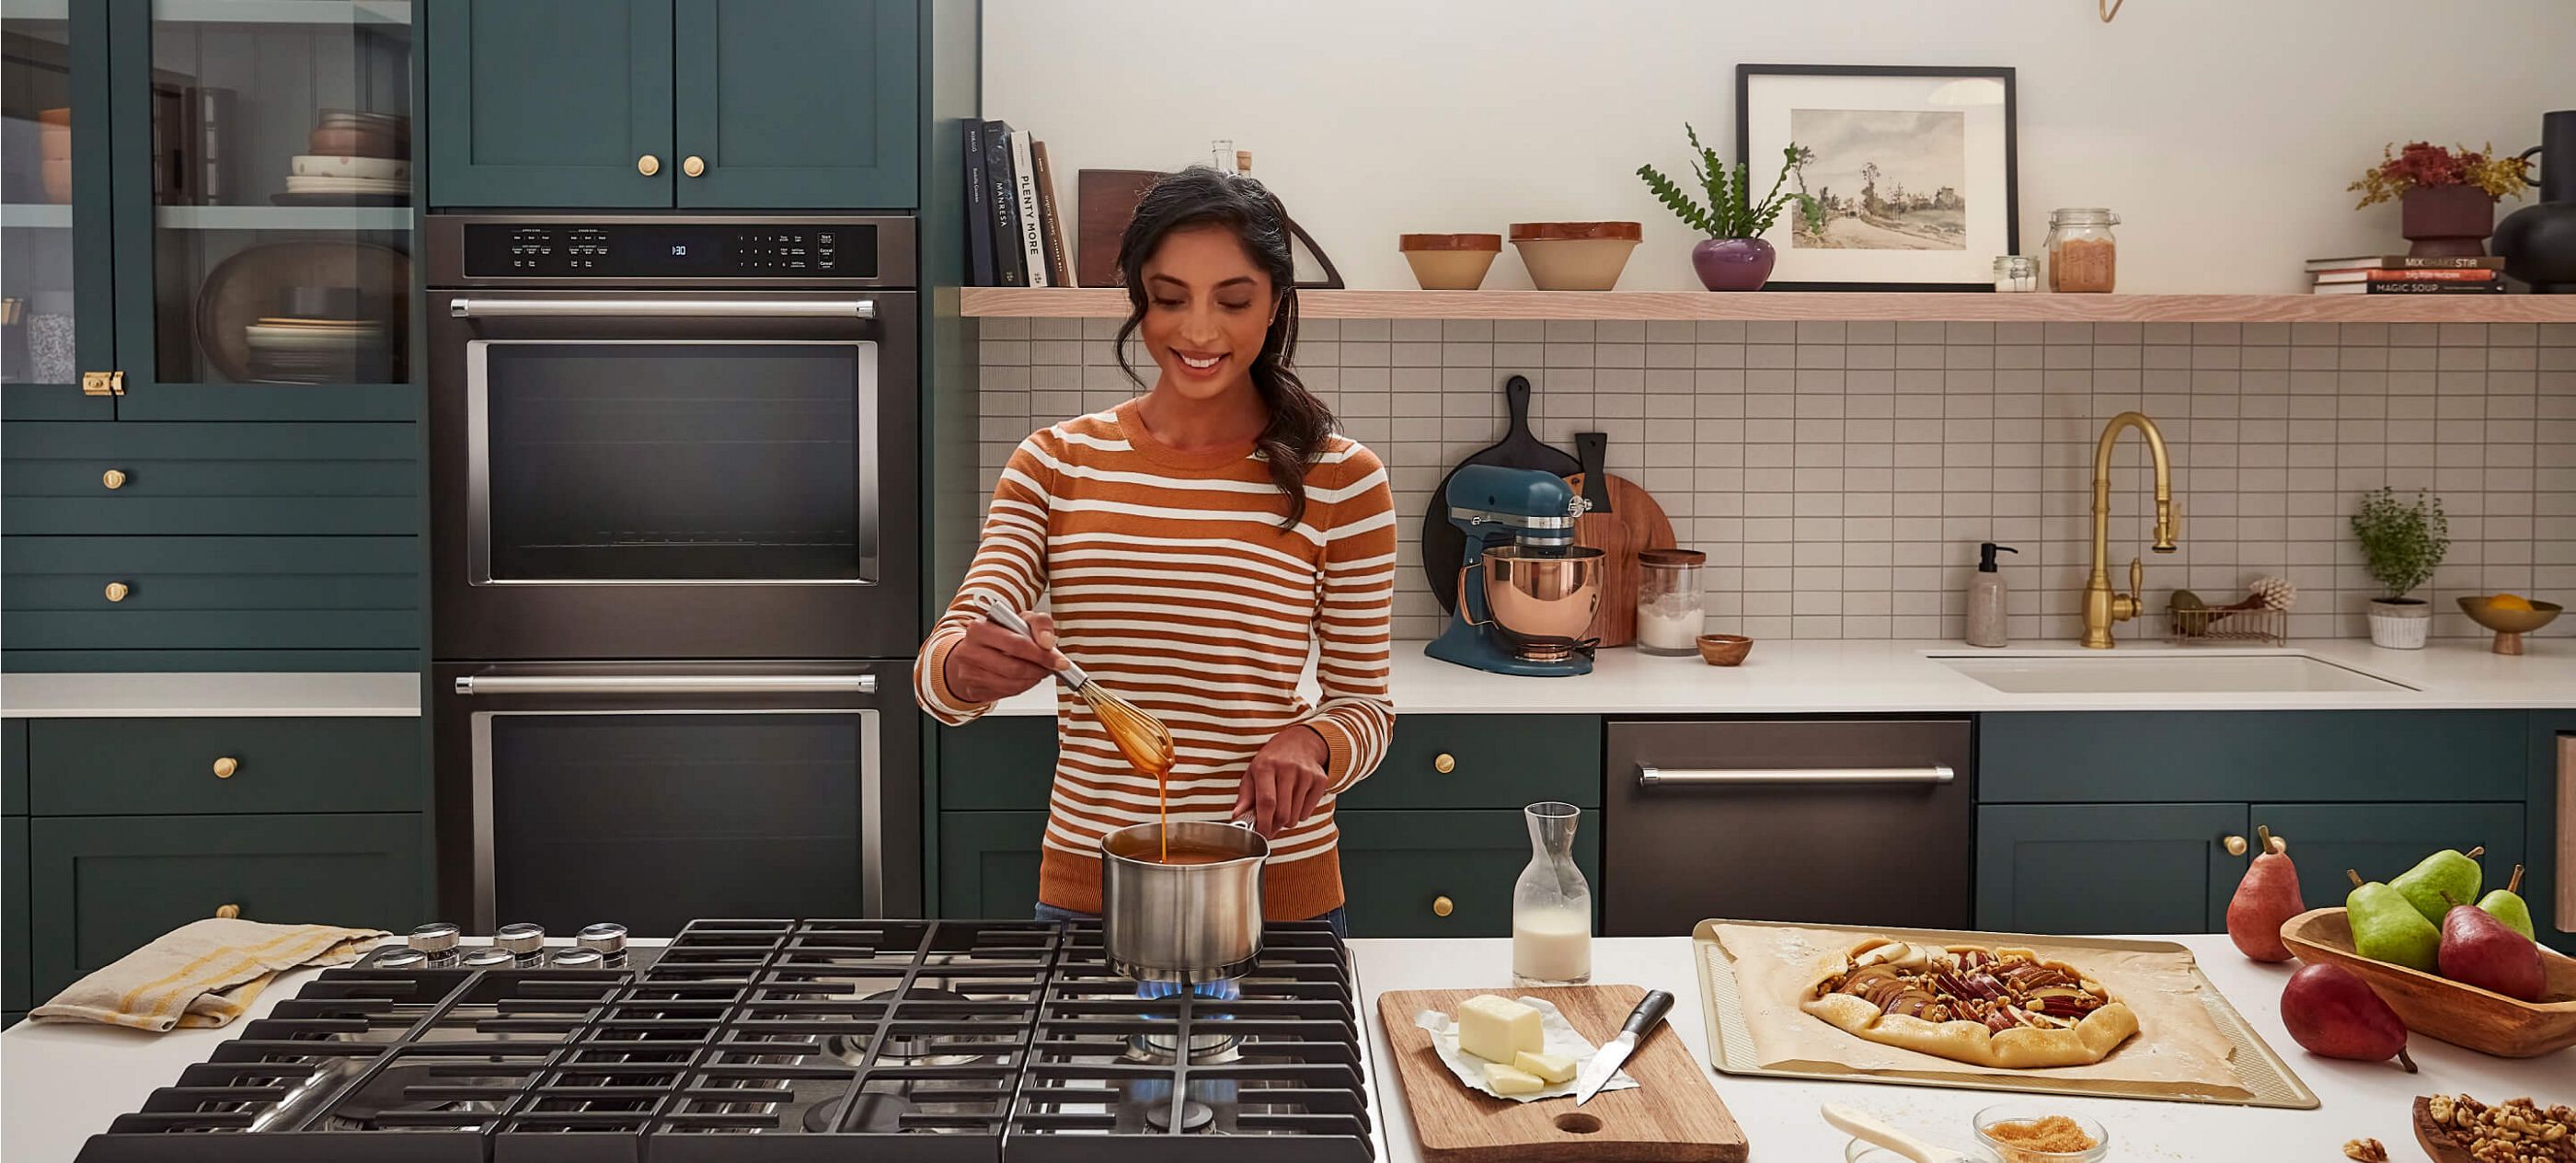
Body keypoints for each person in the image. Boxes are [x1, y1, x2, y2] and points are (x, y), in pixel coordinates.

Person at [912, 167, 1395, 935]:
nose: (1198, 331)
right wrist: (965, 670)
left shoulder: (1342, 479)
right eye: (1170, 299)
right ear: (1140, 299)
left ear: (1275, 304)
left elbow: (1365, 705)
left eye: (1232, 301)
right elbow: (941, 673)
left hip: (1275, 891)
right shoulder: (1054, 463)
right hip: (1093, 890)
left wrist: (1316, 742)